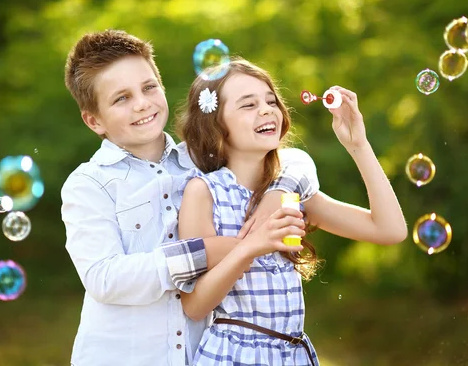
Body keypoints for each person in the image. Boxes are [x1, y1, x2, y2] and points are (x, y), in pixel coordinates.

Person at [60, 29, 319, 366]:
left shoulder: (201, 162)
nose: (142, 103)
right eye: (121, 98)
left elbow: (290, 157)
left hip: (202, 356)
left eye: (149, 87)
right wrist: (205, 252)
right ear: (94, 120)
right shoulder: (89, 184)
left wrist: (279, 188)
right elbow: (105, 278)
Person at [176, 58, 408, 365]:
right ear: (215, 125)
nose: (266, 109)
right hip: (234, 355)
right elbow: (194, 306)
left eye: (271, 101)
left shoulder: (290, 194)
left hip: (293, 355)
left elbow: (390, 230)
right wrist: (251, 248)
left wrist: (358, 144)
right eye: (248, 105)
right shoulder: (204, 192)